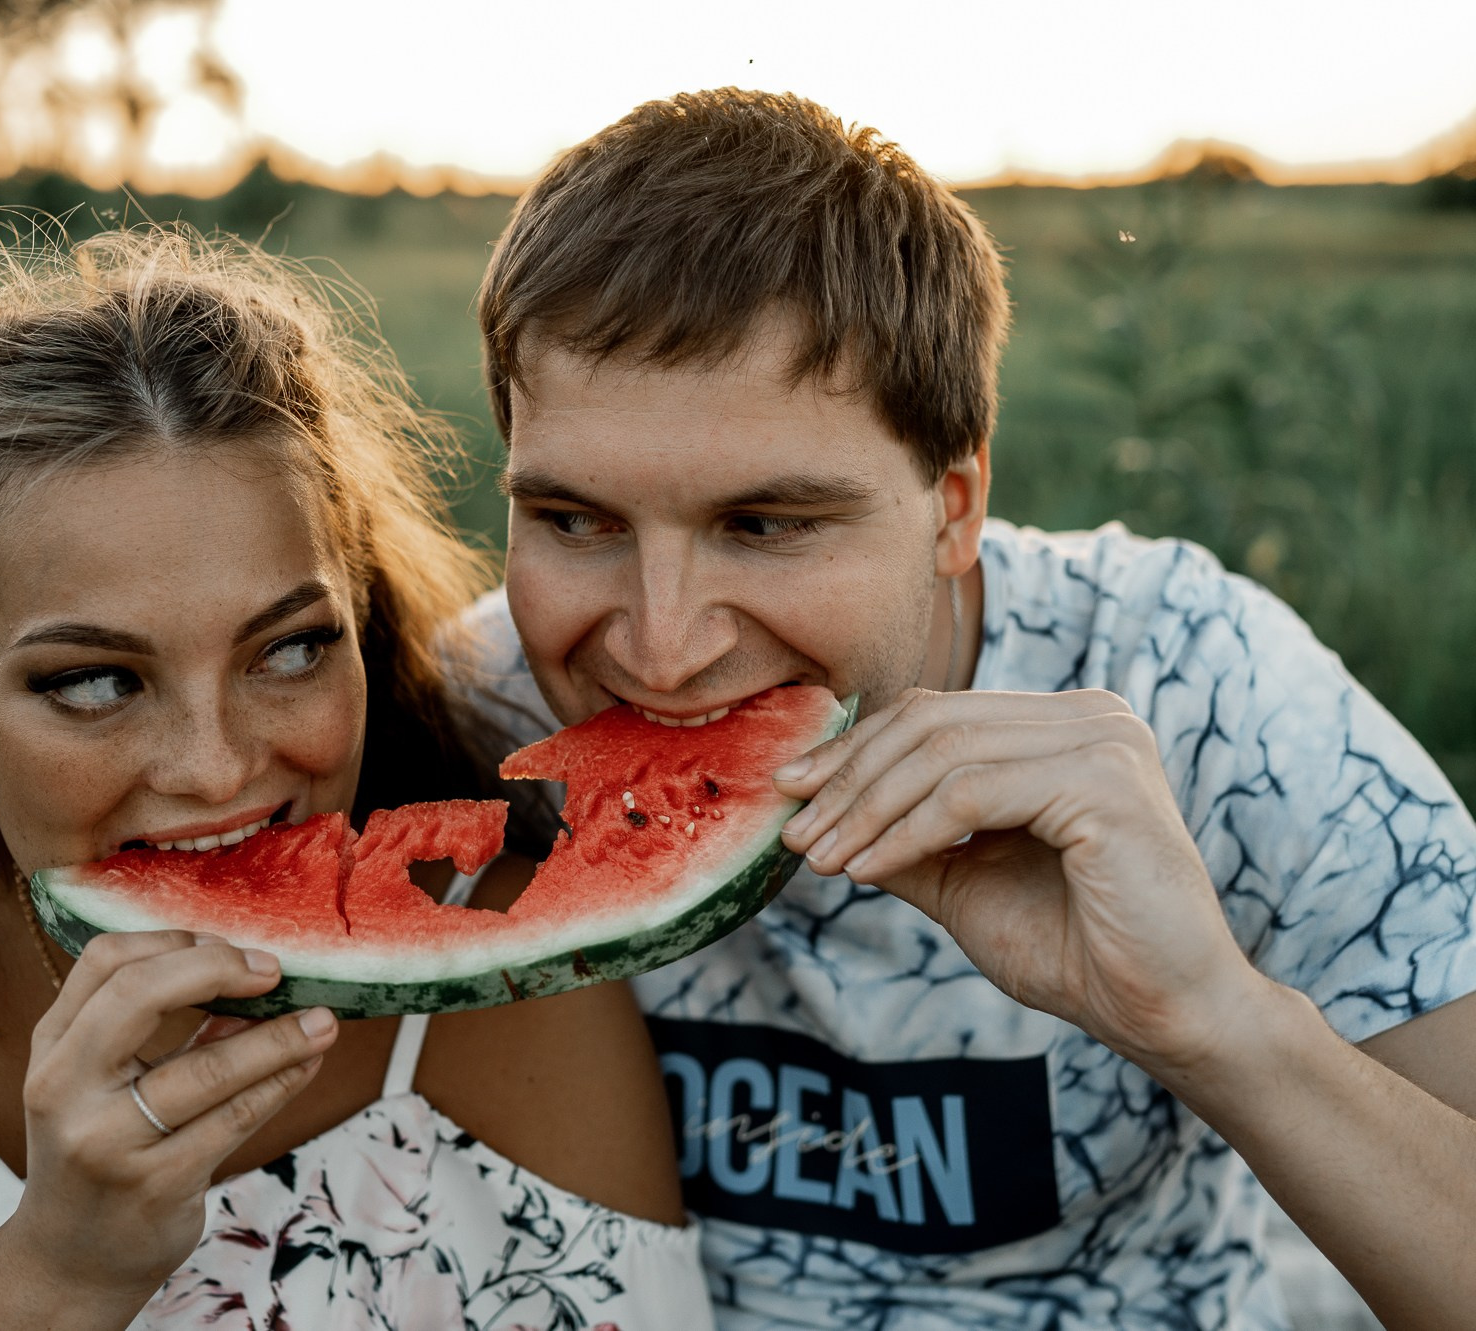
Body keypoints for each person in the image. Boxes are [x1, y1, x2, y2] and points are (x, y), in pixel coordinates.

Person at [0, 227, 713, 1330]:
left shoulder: (511, 972)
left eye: (290, 649)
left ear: (359, 610)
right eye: (93, 681)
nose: (213, 766)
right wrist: (61, 1265)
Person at [452, 89, 1476, 1329]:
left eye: (765, 524)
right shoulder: (474, 716)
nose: (661, 648)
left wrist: (1213, 1023)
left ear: (952, 504)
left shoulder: (1193, 685)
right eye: (574, 520)